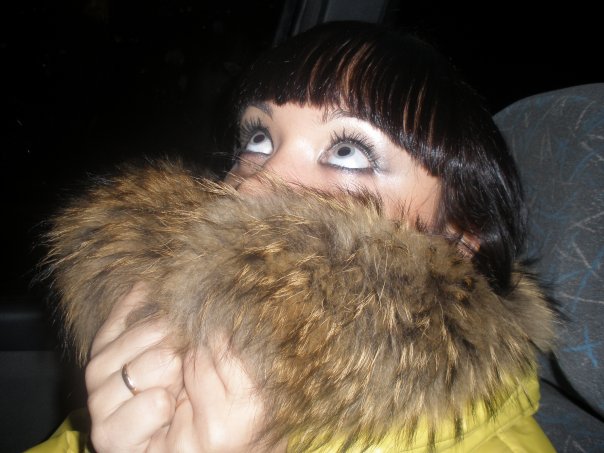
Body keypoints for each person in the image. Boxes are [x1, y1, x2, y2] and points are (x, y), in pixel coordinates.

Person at [29, 21, 555, 452]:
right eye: (259, 139)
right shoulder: (166, 332)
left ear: (459, 239)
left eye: (348, 151)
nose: (254, 183)